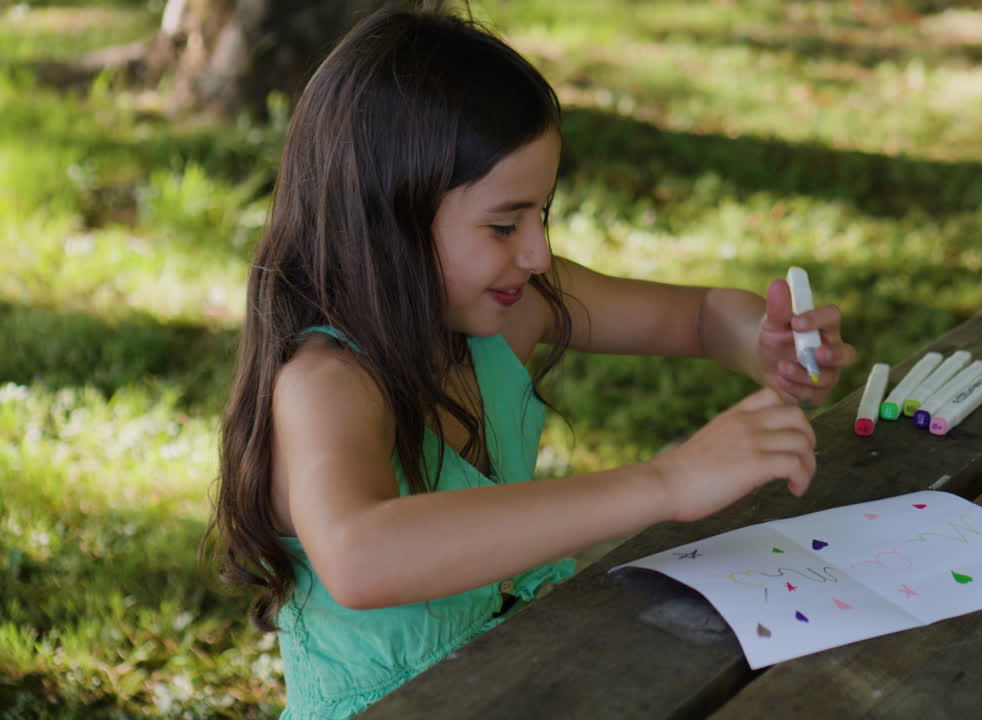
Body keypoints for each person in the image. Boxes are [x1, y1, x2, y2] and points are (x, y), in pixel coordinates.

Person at [203, 5, 856, 718]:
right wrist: (667, 481)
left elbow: (696, 316)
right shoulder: (326, 383)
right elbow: (359, 556)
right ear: (388, 217)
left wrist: (764, 340)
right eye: (504, 224)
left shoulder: (508, 308)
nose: (538, 253)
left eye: (542, 214)